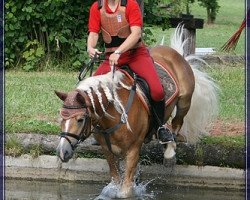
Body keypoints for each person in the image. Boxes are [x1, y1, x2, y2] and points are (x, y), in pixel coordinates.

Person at [87, 0, 174, 144]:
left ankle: (160, 127)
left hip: (136, 55)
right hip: (112, 58)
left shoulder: (130, 5)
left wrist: (119, 51)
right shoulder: (97, 7)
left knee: (157, 90)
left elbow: (136, 34)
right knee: (91, 90)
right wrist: (90, 47)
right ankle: (98, 128)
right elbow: (94, 33)